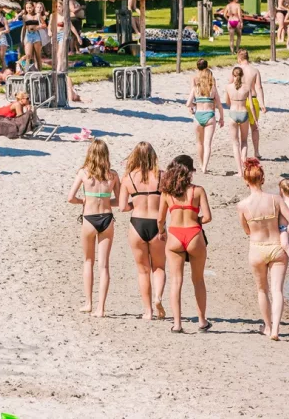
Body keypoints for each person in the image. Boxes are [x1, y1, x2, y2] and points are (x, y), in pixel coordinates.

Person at [157, 155, 213, 333]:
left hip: (174, 234)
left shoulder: (166, 193)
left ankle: (177, 324)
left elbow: (160, 219)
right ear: (189, 171)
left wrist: (162, 232)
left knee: (176, 281)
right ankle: (202, 321)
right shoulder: (198, 191)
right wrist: (195, 218)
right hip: (194, 233)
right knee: (198, 280)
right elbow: (208, 217)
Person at [237, 158, 289, 340]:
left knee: (262, 290)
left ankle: (267, 327)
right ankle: (275, 329)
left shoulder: (242, 205)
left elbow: (246, 230)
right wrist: (282, 225)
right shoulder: (275, 199)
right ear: (262, 179)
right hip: (277, 247)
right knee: (277, 290)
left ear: (246, 180)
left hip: (257, 248)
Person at [67, 138, 120, 317]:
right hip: (106, 218)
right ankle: (101, 308)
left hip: (89, 218)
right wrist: (105, 200)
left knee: (88, 261)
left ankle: (89, 302)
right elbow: (119, 201)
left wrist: (85, 200)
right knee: (104, 266)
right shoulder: (113, 175)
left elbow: (70, 198)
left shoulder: (84, 173)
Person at [118, 142, 166, 320]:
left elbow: (122, 207)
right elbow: (168, 200)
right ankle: (158, 298)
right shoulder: (162, 176)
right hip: (157, 223)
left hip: (137, 223)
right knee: (159, 267)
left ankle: (148, 311)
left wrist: (135, 203)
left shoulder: (129, 178)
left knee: (142, 270)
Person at [186, 59, 223, 174]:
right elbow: (219, 105)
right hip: (209, 115)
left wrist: (193, 105)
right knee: (207, 144)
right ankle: (204, 167)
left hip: (198, 115)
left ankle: (201, 163)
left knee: (199, 143)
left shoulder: (195, 87)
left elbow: (188, 103)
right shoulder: (212, 87)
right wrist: (221, 117)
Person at [224, 66, 253, 178]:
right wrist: (254, 119)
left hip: (233, 113)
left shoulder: (228, 87)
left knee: (235, 143)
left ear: (233, 75)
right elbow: (250, 104)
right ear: (242, 75)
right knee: (244, 141)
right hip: (244, 113)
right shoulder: (247, 87)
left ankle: (239, 171)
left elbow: (227, 102)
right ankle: (244, 165)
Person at [17, 1, 44, 71]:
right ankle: (26, 71)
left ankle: (40, 72)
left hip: (36, 36)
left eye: (30, 7)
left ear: (33, 7)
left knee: (38, 56)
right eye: (27, 8)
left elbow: (44, 25)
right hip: (28, 35)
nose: (28, 9)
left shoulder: (37, 16)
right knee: (28, 55)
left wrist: (38, 27)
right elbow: (24, 27)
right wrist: (22, 40)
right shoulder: (25, 17)